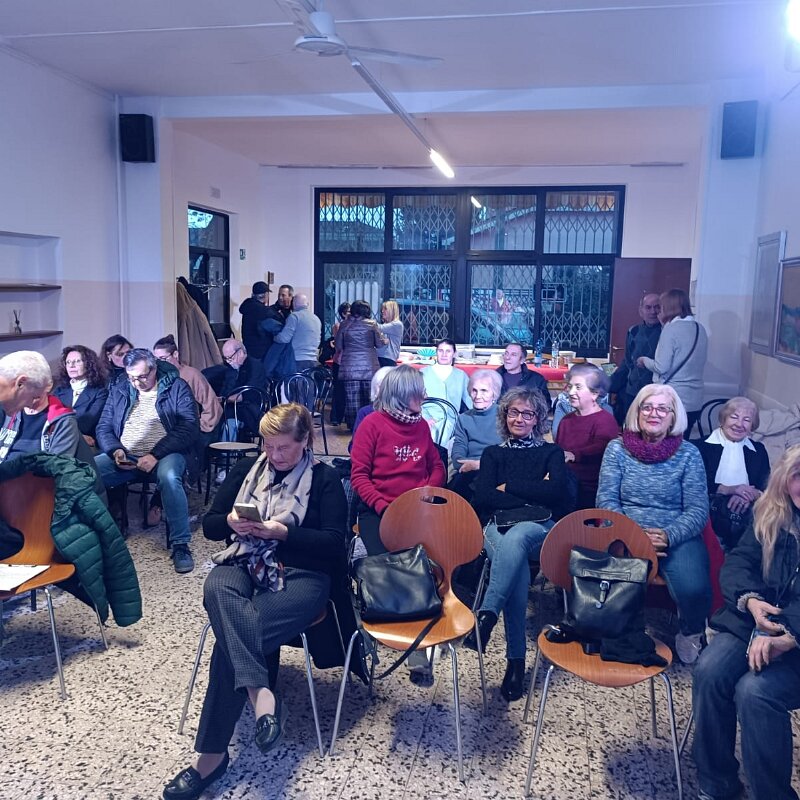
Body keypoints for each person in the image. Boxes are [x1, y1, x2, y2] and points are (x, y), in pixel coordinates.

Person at [162, 404, 348, 800]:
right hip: (244, 560)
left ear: (305, 441)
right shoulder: (249, 468)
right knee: (216, 587)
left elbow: (335, 544)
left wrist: (282, 533)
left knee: (233, 640)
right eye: (268, 446)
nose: (274, 455)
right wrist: (231, 522)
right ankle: (262, 696)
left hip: (302, 573)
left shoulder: (324, 478)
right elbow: (211, 526)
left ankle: (211, 758)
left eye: (284, 448)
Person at [692, 444, 800, 800]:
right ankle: (717, 783)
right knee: (710, 671)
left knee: (755, 692)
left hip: (795, 635)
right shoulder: (770, 511)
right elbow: (738, 562)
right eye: (798, 476)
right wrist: (751, 601)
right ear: (785, 479)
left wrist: (788, 636)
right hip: (756, 620)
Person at [464, 386, 574, 701]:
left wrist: (509, 486)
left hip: (541, 529)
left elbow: (558, 494)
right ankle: (515, 663)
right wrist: (534, 492)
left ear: (538, 418)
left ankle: (486, 615)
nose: (519, 419)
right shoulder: (493, 453)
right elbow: (484, 497)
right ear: (504, 415)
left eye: (527, 413)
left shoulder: (551, 452)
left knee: (521, 535)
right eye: (514, 412)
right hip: (497, 527)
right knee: (517, 566)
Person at [596, 383, 711, 664]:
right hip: (625, 530)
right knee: (610, 584)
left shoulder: (689, 454)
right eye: (647, 407)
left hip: (676, 534)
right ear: (637, 412)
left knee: (693, 588)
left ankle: (691, 630)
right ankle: (620, 634)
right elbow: (606, 499)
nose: (653, 413)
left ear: (673, 416)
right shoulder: (616, 449)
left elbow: (698, 509)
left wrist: (668, 536)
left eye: (662, 408)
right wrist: (634, 536)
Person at [95, 348, 199, 574]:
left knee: (170, 477)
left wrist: (155, 454)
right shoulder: (120, 388)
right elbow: (104, 427)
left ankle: (180, 545)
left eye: (142, 377)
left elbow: (189, 427)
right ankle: (98, 540)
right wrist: (115, 450)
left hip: (166, 453)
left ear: (154, 369)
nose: (137, 383)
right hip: (126, 455)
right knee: (86, 474)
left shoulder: (176, 387)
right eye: (131, 377)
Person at [350, 365, 446, 556]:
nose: (425, 396)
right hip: (379, 509)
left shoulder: (421, 425)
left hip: (419, 508)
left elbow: (437, 466)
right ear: (403, 395)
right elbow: (359, 477)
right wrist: (384, 508)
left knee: (436, 556)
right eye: (420, 392)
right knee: (390, 564)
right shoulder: (371, 424)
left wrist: (429, 490)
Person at [0, 351, 106, 499]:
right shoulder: (8, 411)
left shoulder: (62, 421)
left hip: (41, 496)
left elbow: (50, 475)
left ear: (21, 384)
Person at [151, 335, 224, 525]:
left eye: (163, 359)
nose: (159, 363)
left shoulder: (191, 375)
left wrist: (199, 427)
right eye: (156, 360)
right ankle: (160, 502)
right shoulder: (157, 378)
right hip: (169, 432)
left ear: (175, 355)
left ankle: (171, 505)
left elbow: (212, 406)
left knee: (185, 454)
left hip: (194, 430)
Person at [696, 396, 771, 552]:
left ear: (752, 426)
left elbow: (767, 484)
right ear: (723, 419)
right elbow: (695, 484)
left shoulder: (759, 450)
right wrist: (731, 490)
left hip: (748, 511)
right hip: (707, 509)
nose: (739, 424)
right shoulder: (699, 447)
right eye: (734, 417)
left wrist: (750, 495)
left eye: (746, 420)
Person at [637, 288, 708, 438]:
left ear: (668, 307)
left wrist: (644, 360)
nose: (658, 311)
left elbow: (661, 367)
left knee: (666, 444)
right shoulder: (700, 328)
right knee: (683, 443)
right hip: (695, 400)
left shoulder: (671, 330)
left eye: (660, 307)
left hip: (673, 398)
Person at [554, 363, 619, 509]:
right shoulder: (566, 420)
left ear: (595, 393)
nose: (571, 392)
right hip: (564, 486)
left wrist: (575, 455)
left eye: (578, 387)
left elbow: (602, 448)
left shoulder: (605, 420)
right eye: (570, 386)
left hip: (589, 491)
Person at [448, 369, 503, 501]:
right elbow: (458, 452)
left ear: (494, 394)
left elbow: (509, 455)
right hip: (468, 470)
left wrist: (480, 464)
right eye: (474, 390)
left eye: (484, 391)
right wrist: (468, 465)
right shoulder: (463, 418)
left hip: (498, 471)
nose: (478, 396)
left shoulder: (505, 415)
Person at [609, 292, 662, 424]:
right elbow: (627, 362)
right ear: (641, 311)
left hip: (655, 393)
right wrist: (609, 383)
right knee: (631, 428)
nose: (653, 312)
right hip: (632, 391)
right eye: (648, 307)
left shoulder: (667, 332)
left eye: (657, 307)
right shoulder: (633, 331)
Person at [335, 299, 386, 430]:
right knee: (370, 400)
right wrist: (385, 340)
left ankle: (355, 429)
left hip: (349, 368)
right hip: (370, 367)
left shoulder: (344, 324)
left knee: (352, 401)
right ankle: (370, 428)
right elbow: (379, 344)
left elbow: (338, 345)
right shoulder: (372, 324)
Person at [204, 340, 267, 444]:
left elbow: (249, 394)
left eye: (230, 358)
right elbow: (226, 388)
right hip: (231, 406)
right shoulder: (231, 368)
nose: (228, 361)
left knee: (230, 419)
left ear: (240, 352)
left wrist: (224, 399)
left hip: (250, 408)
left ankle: (226, 451)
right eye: (226, 358)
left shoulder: (255, 366)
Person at [52, 344, 108, 446]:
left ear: (88, 364)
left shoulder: (100, 392)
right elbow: (49, 419)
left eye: (77, 361)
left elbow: (87, 424)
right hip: (59, 439)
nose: (71, 365)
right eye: (68, 362)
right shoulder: (59, 391)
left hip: (88, 443)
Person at [421, 338, 471, 443]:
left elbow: (470, 399)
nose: (444, 354)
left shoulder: (461, 375)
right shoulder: (423, 373)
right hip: (429, 422)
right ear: (436, 352)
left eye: (448, 351)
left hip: (453, 424)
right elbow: (414, 400)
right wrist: (425, 418)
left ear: (454, 354)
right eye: (441, 351)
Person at [349, 365, 395, 448]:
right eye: (380, 386)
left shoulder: (406, 415)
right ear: (374, 388)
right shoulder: (366, 412)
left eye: (389, 387)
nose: (384, 391)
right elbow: (354, 446)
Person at [274, 293, 321, 372]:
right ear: (307, 304)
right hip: (313, 359)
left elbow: (284, 338)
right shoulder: (316, 319)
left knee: (294, 380)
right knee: (308, 379)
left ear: (294, 304)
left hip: (297, 359)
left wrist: (275, 337)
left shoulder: (294, 316)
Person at [329, 301, 350, 425]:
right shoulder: (338, 326)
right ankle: (336, 417)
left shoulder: (352, 325)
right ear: (343, 314)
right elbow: (339, 345)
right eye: (348, 312)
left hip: (348, 361)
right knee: (338, 390)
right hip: (340, 360)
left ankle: (347, 416)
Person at [376, 300, 404, 368]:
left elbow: (378, 327)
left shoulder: (397, 324)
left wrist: (365, 321)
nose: (382, 311)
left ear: (392, 310)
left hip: (387, 360)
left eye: (385, 309)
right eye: (382, 309)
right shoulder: (386, 325)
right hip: (380, 358)